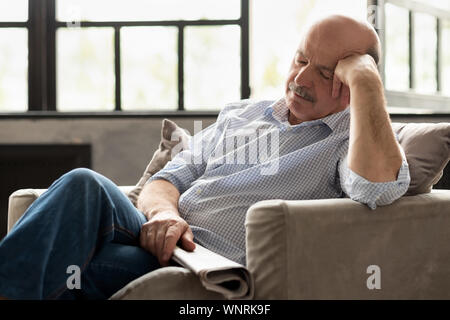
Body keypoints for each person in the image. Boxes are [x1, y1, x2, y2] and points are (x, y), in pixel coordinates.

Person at [0, 14, 410, 300]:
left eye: (325, 73)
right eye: (301, 60)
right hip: (156, 238)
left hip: (202, 269)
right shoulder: (243, 115)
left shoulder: (349, 143)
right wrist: (163, 214)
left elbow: (377, 187)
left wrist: (367, 83)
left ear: (354, 79)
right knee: (83, 184)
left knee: (62, 260)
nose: (300, 79)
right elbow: (170, 179)